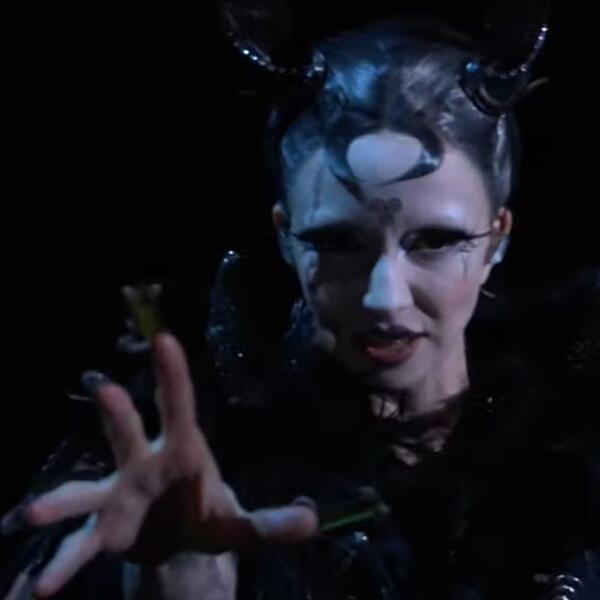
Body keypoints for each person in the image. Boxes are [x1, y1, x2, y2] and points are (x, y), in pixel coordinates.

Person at [2, 10, 599, 600]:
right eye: (337, 243)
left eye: (436, 241)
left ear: (497, 239)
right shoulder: (196, 459)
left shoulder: (573, 454)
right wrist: (178, 576)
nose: (384, 297)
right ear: (286, 237)